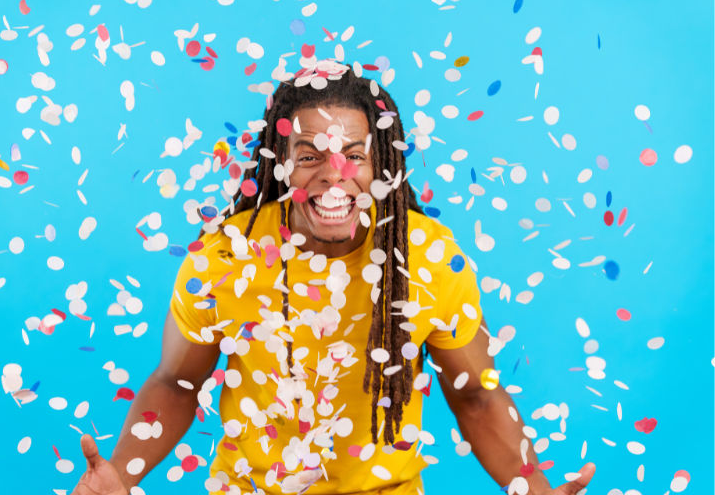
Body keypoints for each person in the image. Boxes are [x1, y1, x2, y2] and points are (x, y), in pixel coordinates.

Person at [70, 58, 595, 495]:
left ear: (381, 163)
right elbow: (177, 384)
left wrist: (536, 489)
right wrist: (122, 472)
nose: (334, 174)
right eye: (309, 156)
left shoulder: (428, 257)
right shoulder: (225, 257)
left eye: (354, 155)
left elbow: (476, 395)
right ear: (280, 164)